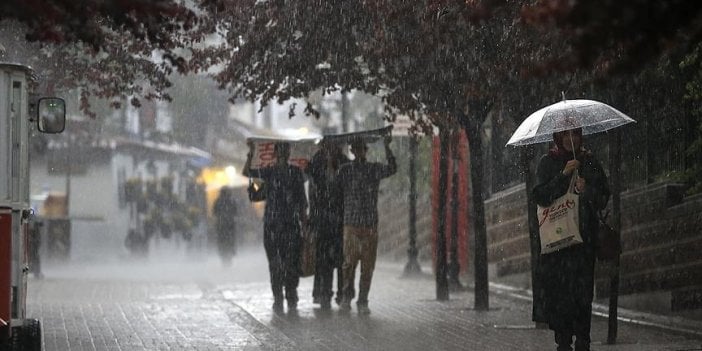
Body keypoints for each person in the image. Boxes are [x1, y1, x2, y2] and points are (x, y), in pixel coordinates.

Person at [532, 128, 610, 351]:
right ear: (558, 137)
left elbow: (604, 196)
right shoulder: (548, 162)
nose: (570, 139)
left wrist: (587, 190)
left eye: (574, 134)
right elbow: (540, 196)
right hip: (558, 245)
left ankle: (583, 342)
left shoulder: (589, 161)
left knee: (583, 296)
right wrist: (563, 176)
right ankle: (563, 343)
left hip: (583, 243)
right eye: (565, 135)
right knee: (561, 298)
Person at [243, 141, 308, 313]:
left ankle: (291, 295)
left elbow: (302, 201)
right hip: (272, 225)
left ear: (288, 154)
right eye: (280, 152)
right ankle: (278, 296)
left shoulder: (295, 173)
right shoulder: (268, 172)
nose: (283, 155)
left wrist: (304, 222)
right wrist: (251, 153)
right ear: (275, 154)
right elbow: (248, 173)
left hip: (291, 225)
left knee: (291, 263)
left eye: (285, 152)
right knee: (275, 263)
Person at [337, 135, 397, 314]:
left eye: (361, 148)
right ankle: (347, 296)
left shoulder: (373, 169)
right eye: (355, 149)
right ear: (352, 151)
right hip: (351, 224)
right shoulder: (345, 170)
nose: (358, 152)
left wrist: (387, 147)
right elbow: (333, 186)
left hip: (369, 224)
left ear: (365, 150)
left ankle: (363, 300)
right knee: (349, 264)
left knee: (367, 266)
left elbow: (392, 168)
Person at [305, 140, 350, 310]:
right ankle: (324, 293)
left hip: (339, 219)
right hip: (322, 220)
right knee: (323, 259)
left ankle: (341, 293)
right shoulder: (317, 162)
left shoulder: (344, 163)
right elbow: (311, 180)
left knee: (340, 259)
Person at [213, 187, 237, 266]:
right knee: (229, 242)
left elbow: (214, 212)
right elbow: (236, 212)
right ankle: (228, 257)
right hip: (230, 225)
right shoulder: (232, 201)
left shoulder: (218, 201)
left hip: (221, 225)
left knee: (222, 242)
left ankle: (224, 257)